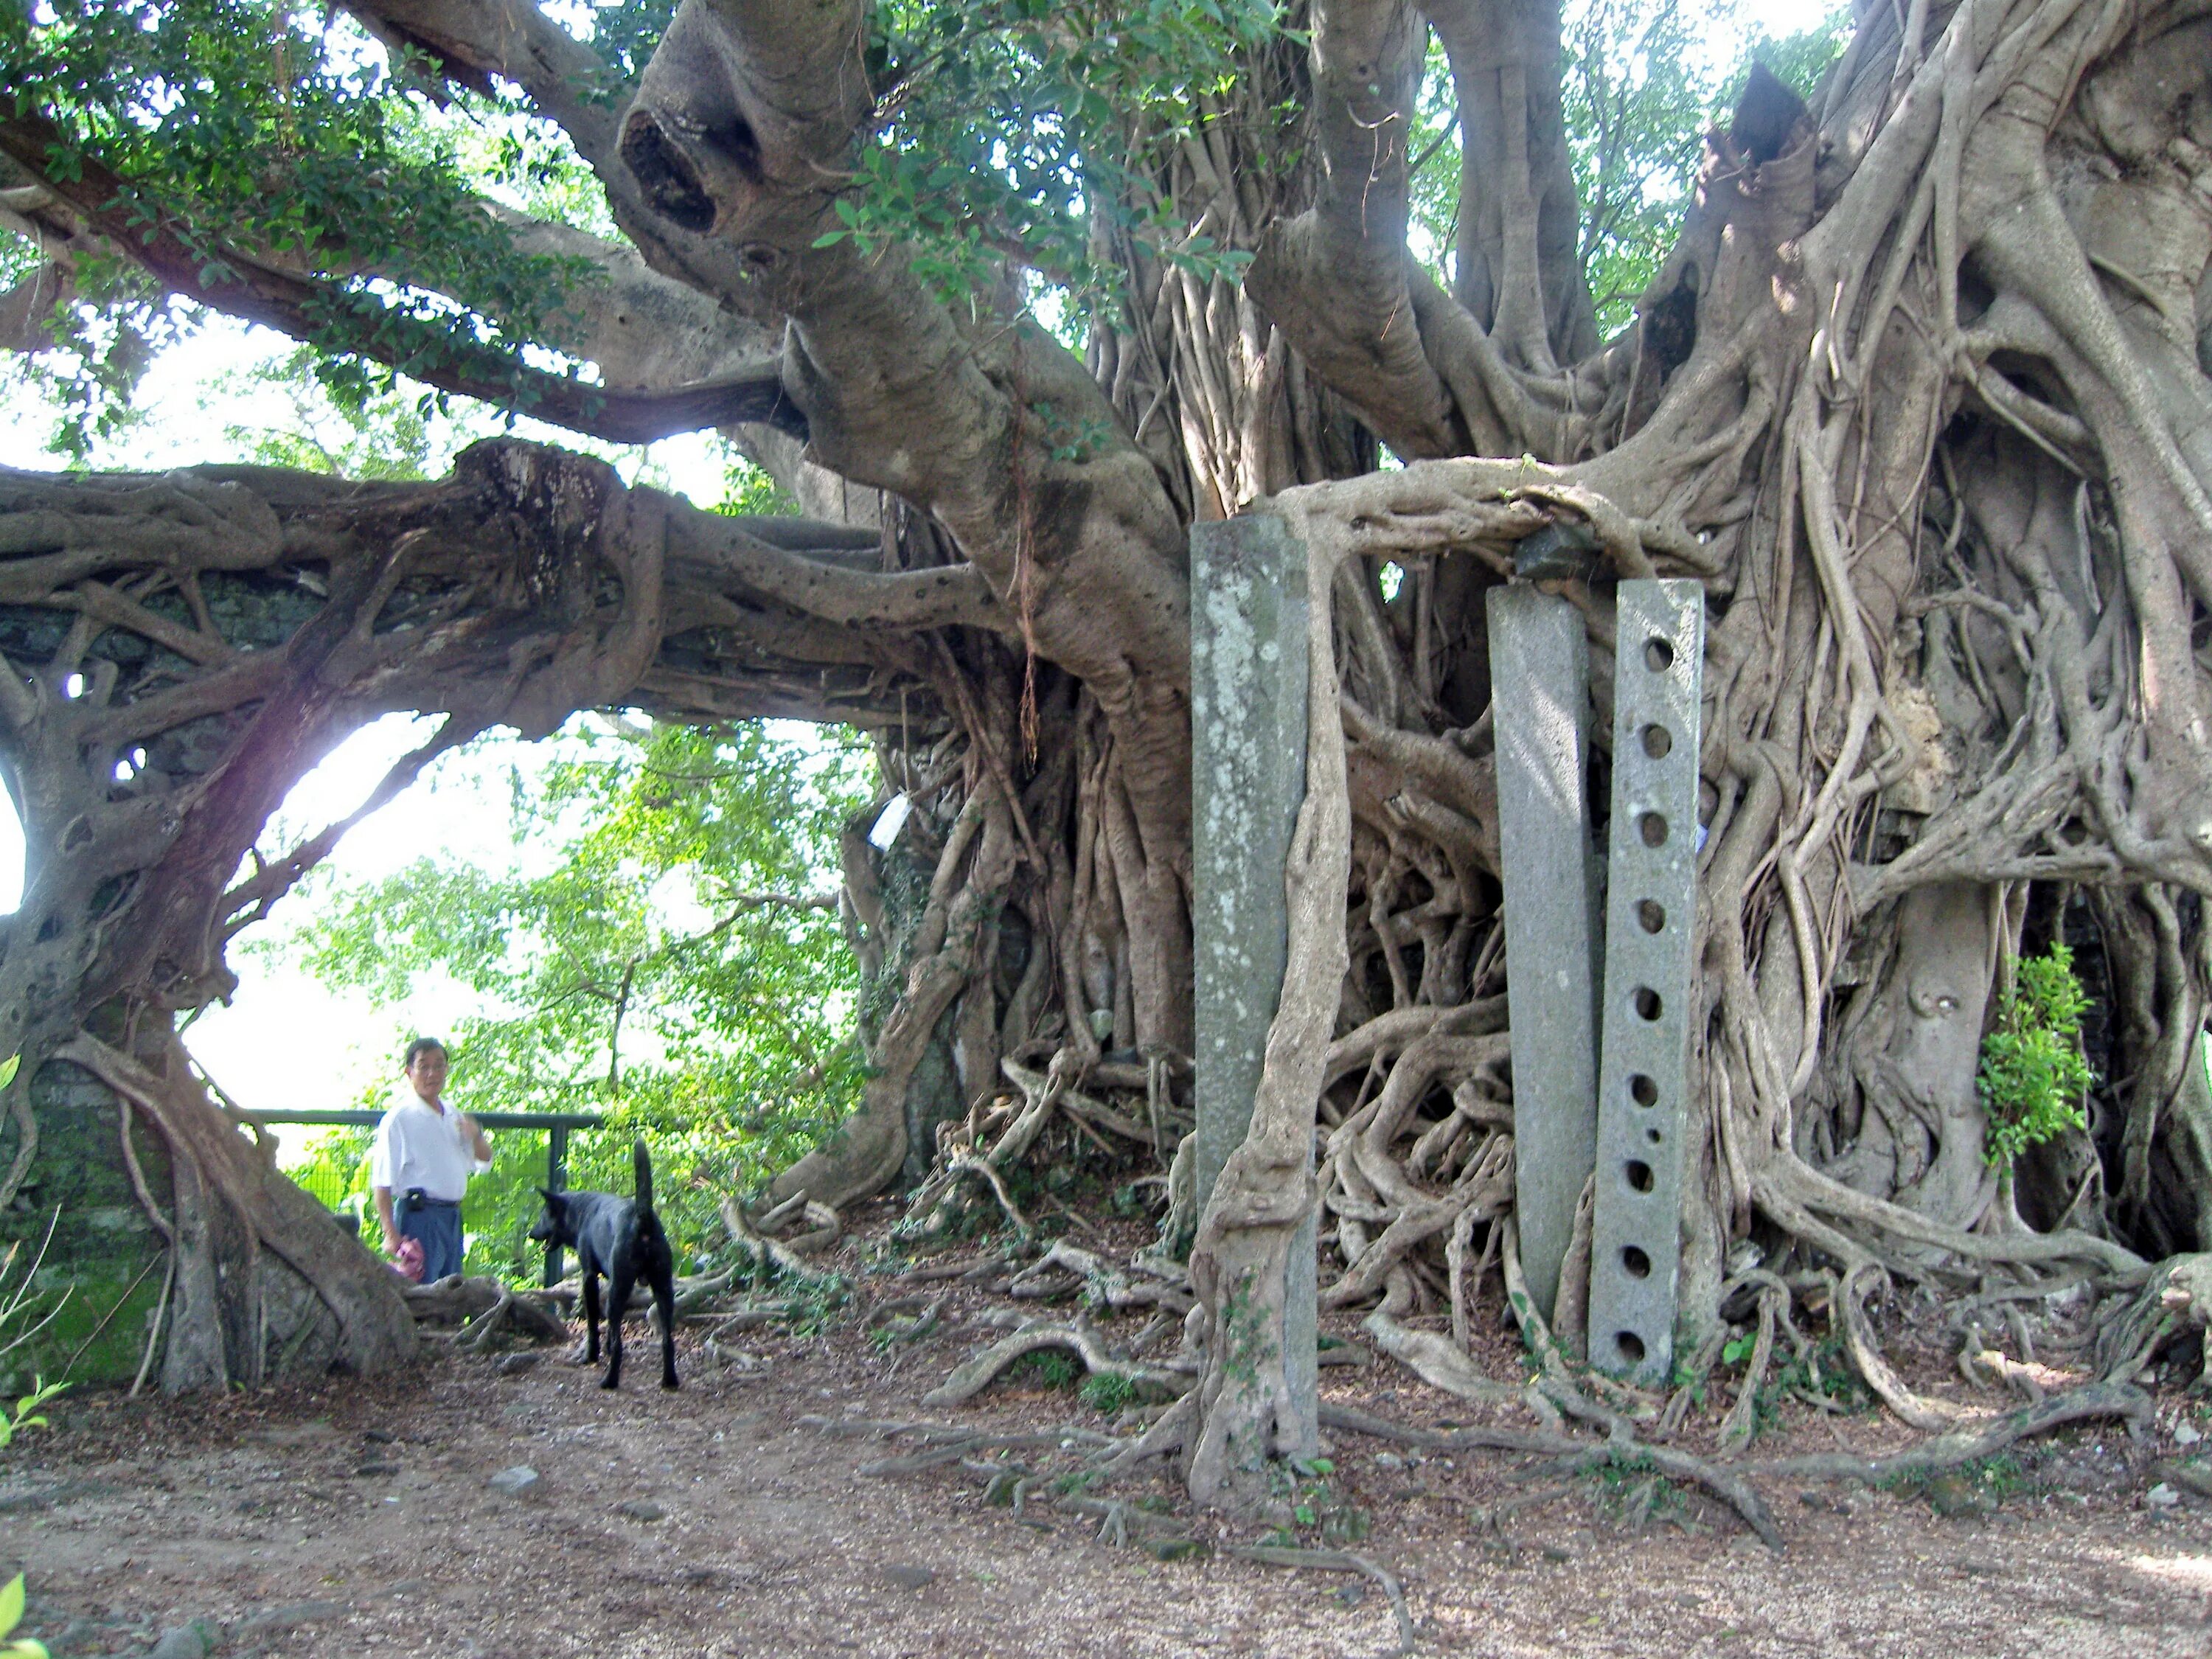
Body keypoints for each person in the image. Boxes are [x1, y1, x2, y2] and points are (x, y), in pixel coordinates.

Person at [370, 1037, 493, 1284]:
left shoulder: (454, 1115)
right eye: (423, 1066)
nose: (431, 1073)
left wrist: (476, 1135)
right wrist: (391, 1234)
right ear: (409, 1072)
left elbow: (485, 1159)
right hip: (420, 1217)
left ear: (447, 1070)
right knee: (422, 1291)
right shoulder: (399, 1119)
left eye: (438, 1066)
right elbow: (381, 1183)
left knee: (451, 1291)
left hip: (452, 1216)